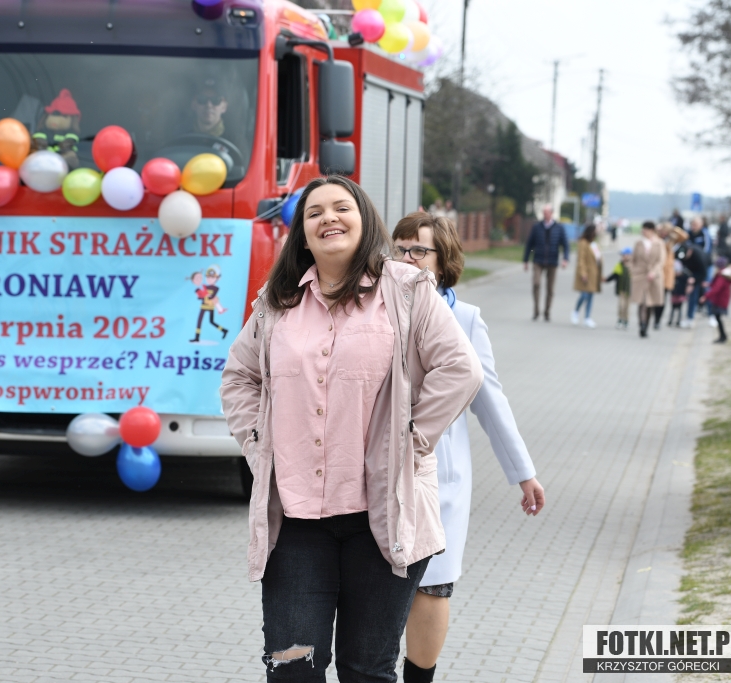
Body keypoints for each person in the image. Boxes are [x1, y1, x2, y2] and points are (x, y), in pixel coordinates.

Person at [220, 176, 483, 682]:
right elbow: (239, 377)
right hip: (296, 522)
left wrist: (412, 439)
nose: (329, 218)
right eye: (314, 212)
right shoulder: (277, 301)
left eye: (342, 207)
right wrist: (258, 445)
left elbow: (460, 369)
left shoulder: (405, 290)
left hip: (382, 516)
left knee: (367, 670)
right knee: (292, 668)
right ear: (303, 233)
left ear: (364, 220)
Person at [392, 212, 544, 683]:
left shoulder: (464, 319)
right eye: (399, 249)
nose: (406, 259)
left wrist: (523, 472)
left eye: (419, 251)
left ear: (442, 261)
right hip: (374, 471)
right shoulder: (370, 308)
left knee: (432, 585)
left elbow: (490, 402)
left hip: (440, 473)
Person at [522, 204, 569, 321]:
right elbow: (530, 244)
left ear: (551, 213)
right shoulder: (537, 227)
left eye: (546, 212)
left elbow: (565, 245)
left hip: (552, 261)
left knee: (550, 289)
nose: (545, 214)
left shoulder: (559, 227)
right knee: (536, 284)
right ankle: (536, 311)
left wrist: (565, 259)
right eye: (543, 212)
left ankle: (547, 311)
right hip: (538, 260)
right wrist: (526, 260)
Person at [631, 221, 666, 338]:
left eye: (645, 230)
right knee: (641, 301)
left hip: (653, 277)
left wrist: (654, 272)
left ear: (651, 230)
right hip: (640, 275)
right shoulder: (639, 243)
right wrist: (633, 271)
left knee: (650, 302)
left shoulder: (659, 243)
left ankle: (646, 325)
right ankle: (641, 324)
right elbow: (633, 259)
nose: (643, 232)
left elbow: (661, 260)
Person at [571, 224, 602, 328]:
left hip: (594, 274)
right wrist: (583, 273)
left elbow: (598, 258)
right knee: (584, 295)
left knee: (590, 296)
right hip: (586, 273)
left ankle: (587, 318)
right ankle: (575, 312)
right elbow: (581, 259)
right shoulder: (583, 243)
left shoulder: (594, 244)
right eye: (595, 231)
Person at [676, 234, 710, 329]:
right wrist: (689, 282)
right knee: (692, 295)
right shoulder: (681, 253)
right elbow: (683, 268)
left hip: (704, 269)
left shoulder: (699, 256)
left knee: (706, 292)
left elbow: (703, 272)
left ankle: (711, 314)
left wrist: (694, 281)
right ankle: (689, 318)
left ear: (690, 251)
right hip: (692, 272)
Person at [700, 257, 731, 343]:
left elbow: (716, 288)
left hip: (719, 300)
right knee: (718, 318)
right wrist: (709, 284)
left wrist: (705, 296)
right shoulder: (725, 274)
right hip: (722, 299)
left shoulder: (721, 276)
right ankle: (723, 336)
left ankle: (723, 336)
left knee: (718, 318)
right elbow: (717, 285)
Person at [604, 247, 632, 329]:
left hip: (629, 290)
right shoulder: (619, 265)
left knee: (627, 307)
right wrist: (606, 280)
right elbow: (614, 275)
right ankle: (620, 319)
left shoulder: (633, 266)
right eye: (622, 255)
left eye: (624, 255)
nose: (623, 257)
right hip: (621, 290)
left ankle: (626, 321)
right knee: (621, 305)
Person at [668, 259, 694, 328]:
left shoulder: (684, 277)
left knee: (680, 309)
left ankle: (678, 321)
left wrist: (688, 287)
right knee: (673, 309)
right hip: (674, 294)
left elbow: (689, 281)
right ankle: (670, 320)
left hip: (681, 295)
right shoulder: (674, 277)